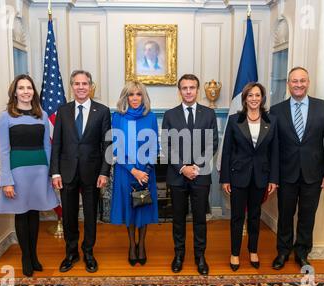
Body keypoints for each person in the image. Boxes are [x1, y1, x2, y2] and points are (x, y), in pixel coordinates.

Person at [270, 67, 324, 270]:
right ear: (288, 84)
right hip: (286, 174)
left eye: (302, 81)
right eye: (294, 81)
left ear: (308, 83)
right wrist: (273, 175)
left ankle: (302, 253)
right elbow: (273, 147)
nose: (298, 85)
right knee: (285, 215)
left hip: (314, 174)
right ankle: (282, 252)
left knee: (307, 216)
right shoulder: (276, 110)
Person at [0, 74, 59, 277]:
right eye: (21, 88)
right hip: (17, 173)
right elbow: (4, 150)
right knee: (22, 214)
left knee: (35, 214)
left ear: (34, 91)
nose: (25, 91)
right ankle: (25, 257)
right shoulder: (6, 116)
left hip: (39, 171)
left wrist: (50, 173)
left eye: (29, 88)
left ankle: (34, 255)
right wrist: (6, 180)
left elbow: (47, 146)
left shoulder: (41, 114)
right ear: (15, 92)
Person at [50, 70, 111, 273]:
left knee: (91, 215)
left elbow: (107, 145)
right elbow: (56, 143)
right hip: (66, 172)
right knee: (69, 215)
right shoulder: (63, 111)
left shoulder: (102, 111)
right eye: (77, 84)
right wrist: (55, 172)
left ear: (91, 86)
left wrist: (104, 172)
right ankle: (71, 253)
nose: (81, 87)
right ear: (72, 86)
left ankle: (88, 252)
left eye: (85, 83)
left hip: (92, 173)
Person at [162, 74, 219, 275]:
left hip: (201, 175)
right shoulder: (170, 115)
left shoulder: (208, 114)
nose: (188, 91)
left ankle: (200, 256)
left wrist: (197, 166)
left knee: (200, 218)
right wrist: (183, 167)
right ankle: (179, 255)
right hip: (177, 176)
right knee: (178, 219)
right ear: (180, 91)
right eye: (184, 88)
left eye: (192, 87)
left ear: (197, 90)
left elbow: (213, 143)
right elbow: (166, 146)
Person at [220, 82, 279, 271]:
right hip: (238, 177)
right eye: (250, 95)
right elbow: (227, 152)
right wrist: (225, 179)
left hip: (261, 177)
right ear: (245, 98)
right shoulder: (234, 120)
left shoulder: (271, 121)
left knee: (255, 216)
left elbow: (275, 153)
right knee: (237, 217)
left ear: (262, 98)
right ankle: (235, 253)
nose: (254, 99)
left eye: (257, 95)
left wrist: (273, 179)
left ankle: (253, 251)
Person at [110, 81, 159, 266]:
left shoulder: (150, 117)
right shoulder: (118, 117)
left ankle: (142, 245)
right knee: (129, 208)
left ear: (143, 96)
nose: (135, 98)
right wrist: (133, 170)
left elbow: (154, 146)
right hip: (126, 171)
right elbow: (116, 148)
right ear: (126, 97)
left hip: (147, 171)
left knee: (143, 205)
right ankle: (132, 245)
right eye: (131, 94)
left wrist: (144, 171)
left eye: (138, 94)